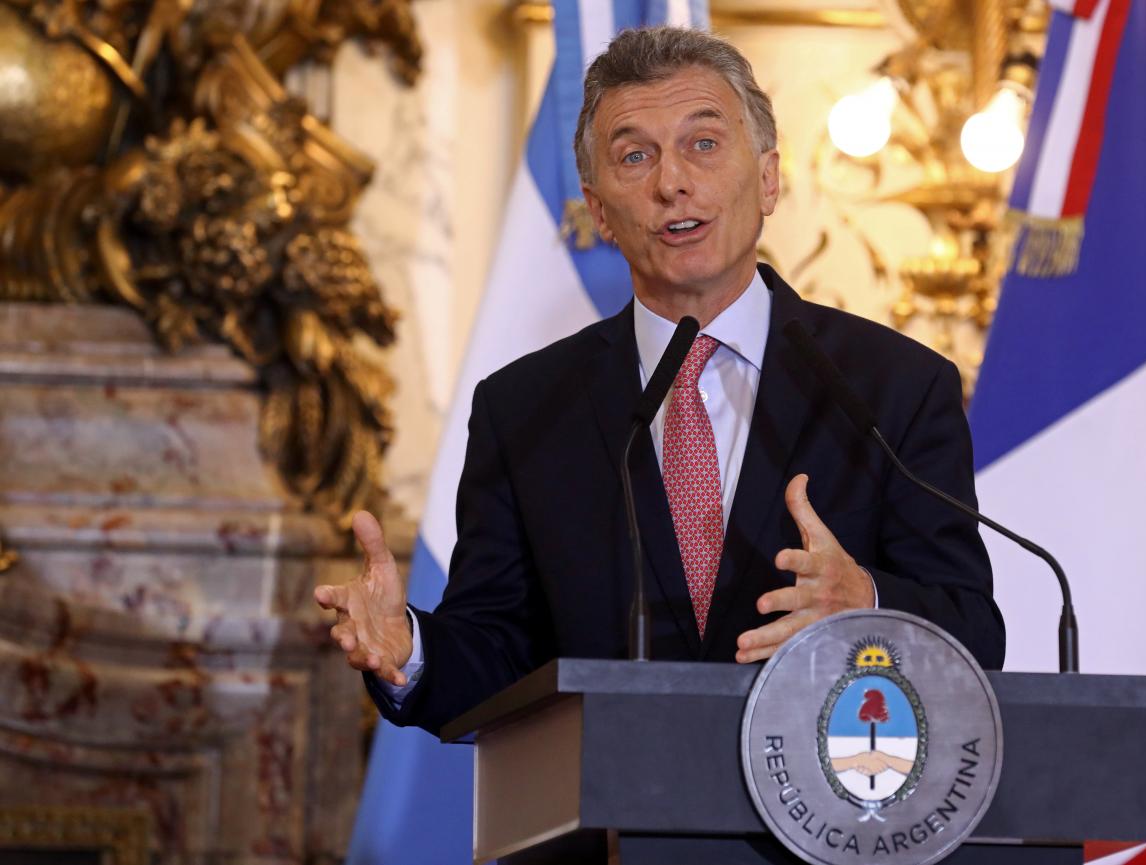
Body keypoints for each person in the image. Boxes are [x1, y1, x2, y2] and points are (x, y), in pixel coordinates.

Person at [315, 27, 1003, 737]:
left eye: (703, 144)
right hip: (605, 830)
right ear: (600, 208)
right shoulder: (525, 411)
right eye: (634, 155)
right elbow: (497, 652)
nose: (671, 181)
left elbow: (976, 635)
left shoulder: (895, 387)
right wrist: (410, 649)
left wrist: (867, 601)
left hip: (827, 822)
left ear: (768, 177)